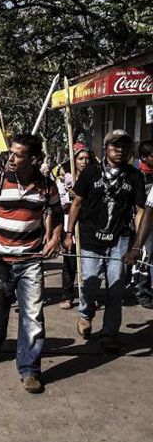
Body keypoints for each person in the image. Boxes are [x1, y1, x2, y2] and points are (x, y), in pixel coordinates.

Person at [0, 133, 63, 394]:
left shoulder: (47, 186)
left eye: (18, 154)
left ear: (33, 160)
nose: (11, 158)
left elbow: (57, 214)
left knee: (33, 316)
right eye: (10, 152)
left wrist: (55, 237)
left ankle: (30, 369)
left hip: (31, 261)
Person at [64, 130, 145, 353]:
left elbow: (139, 211)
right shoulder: (90, 173)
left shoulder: (135, 177)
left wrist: (138, 244)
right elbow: (77, 204)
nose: (120, 150)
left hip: (119, 239)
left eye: (125, 147)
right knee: (89, 282)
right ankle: (85, 314)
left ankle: (109, 333)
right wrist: (69, 233)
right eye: (115, 146)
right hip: (90, 238)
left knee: (116, 288)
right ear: (106, 148)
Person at [56, 143, 92, 310]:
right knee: (69, 262)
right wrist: (71, 197)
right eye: (80, 159)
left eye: (87, 159)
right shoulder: (66, 178)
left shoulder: (94, 177)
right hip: (70, 222)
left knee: (89, 263)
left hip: (89, 223)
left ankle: (87, 295)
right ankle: (67, 296)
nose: (84, 162)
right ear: (74, 161)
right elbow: (61, 201)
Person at [127, 140, 153, 308]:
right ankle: (142, 291)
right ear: (144, 158)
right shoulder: (135, 174)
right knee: (144, 253)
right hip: (139, 220)